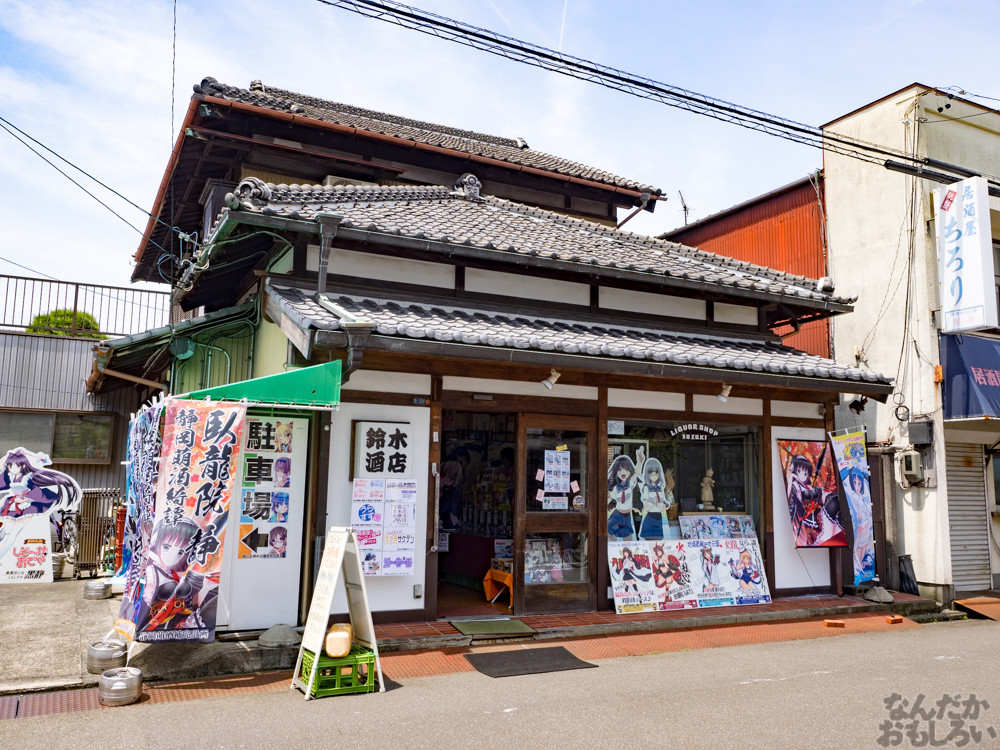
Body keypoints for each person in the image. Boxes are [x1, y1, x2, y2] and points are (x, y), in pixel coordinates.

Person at [135, 518, 217, 632]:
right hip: (157, 626)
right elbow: (147, 600)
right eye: (166, 547)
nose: (172, 556)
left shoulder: (179, 573)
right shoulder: (152, 572)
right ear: (156, 542)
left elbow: (193, 602)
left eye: (180, 552)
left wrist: (203, 589)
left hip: (182, 624)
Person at [0, 448, 80, 562]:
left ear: (22, 466)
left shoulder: (27, 478)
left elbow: (37, 492)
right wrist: (9, 455)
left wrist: (25, 499)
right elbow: (1, 467)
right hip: (15, 504)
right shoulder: (11, 477)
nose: (11, 468)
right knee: (6, 530)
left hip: (29, 506)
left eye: (14, 465)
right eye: (9, 466)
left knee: (14, 532)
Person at [607, 448, 643, 541]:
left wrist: (640, 462)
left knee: (628, 538)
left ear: (629, 471)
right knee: (610, 534)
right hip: (617, 515)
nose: (623, 472)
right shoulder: (616, 488)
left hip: (626, 516)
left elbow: (636, 473)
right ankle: (612, 548)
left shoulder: (630, 483)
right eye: (619, 470)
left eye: (626, 469)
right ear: (616, 473)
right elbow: (610, 499)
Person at [638, 459, 673, 540]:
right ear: (647, 474)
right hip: (650, 517)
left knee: (659, 541)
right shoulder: (646, 488)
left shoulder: (660, 488)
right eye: (651, 473)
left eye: (656, 473)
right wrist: (654, 504)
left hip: (659, 517)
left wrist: (664, 505)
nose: (654, 475)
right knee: (649, 540)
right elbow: (646, 507)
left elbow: (663, 505)